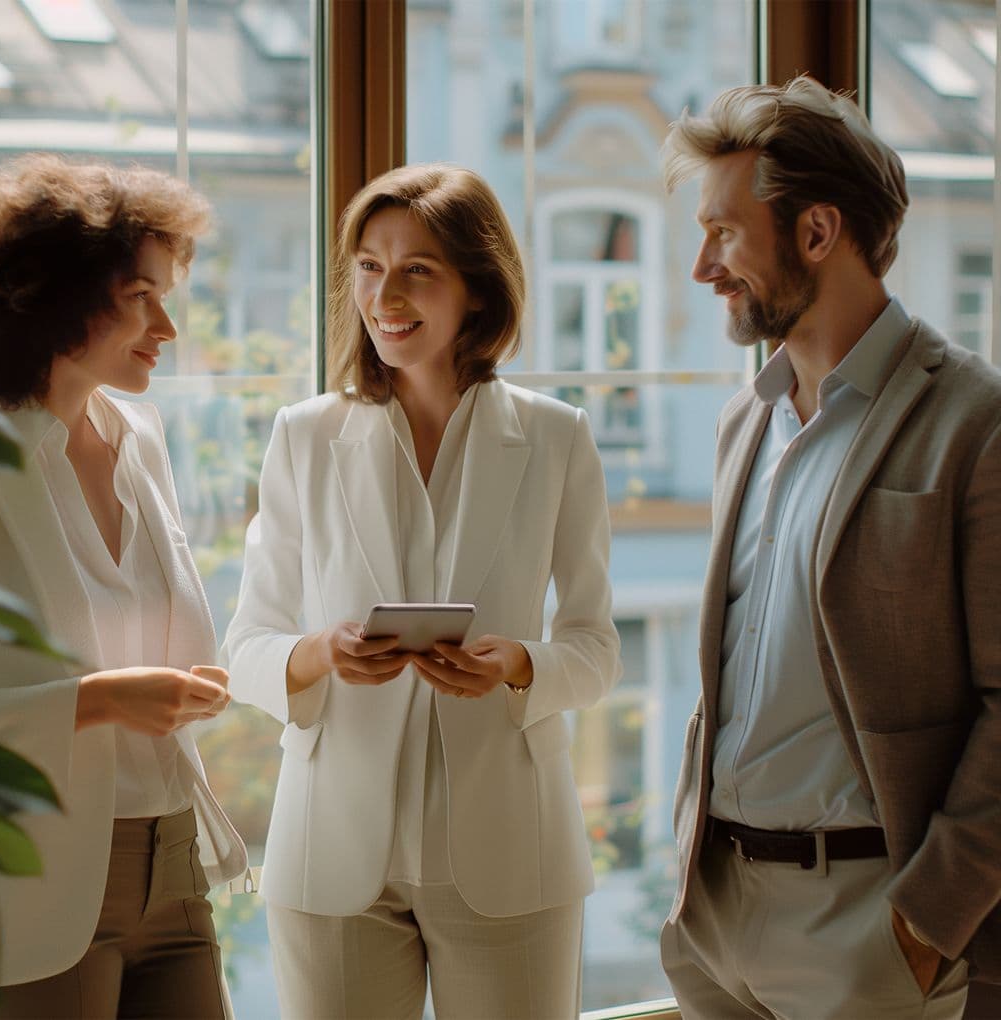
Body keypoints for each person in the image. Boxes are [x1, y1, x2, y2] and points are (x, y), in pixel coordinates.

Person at [658, 75, 1001, 1019]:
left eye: (723, 232)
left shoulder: (996, 429)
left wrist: (927, 919)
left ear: (818, 231)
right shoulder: (745, 421)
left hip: (867, 927)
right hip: (713, 915)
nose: (702, 267)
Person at [0, 153, 247, 1019]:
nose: (167, 327)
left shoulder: (139, 439)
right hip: (15, 884)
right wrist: (91, 703)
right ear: (58, 300)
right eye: (141, 297)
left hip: (174, 867)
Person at [223, 163, 622, 1019]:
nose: (385, 295)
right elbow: (245, 646)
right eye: (369, 266)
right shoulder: (304, 436)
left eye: (417, 269)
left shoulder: (557, 438)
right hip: (331, 853)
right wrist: (317, 654)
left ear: (477, 288)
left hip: (514, 850)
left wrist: (519, 665)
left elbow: (596, 650)